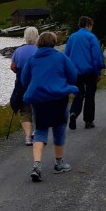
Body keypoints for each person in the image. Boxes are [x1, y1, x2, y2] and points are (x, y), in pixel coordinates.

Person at [20, 31, 79, 181]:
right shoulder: (60, 57)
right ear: (54, 43)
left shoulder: (32, 59)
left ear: (39, 43)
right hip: (58, 96)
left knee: (40, 130)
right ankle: (59, 163)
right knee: (59, 127)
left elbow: (24, 79)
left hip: (38, 99)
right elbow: (73, 75)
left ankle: (37, 164)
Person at [64, 16, 105, 130]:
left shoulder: (72, 37)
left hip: (75, 71)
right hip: (89, 71)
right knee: (90, 95)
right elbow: (96, 55)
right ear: (88, 25)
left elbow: (66, 55)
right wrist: (98, 71)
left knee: (79, 93)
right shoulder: (91, 37)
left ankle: (73, 113)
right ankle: (88, 120)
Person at [9, 27, 39, 146]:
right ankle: (37, 133)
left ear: (25, 37)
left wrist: (19, 72)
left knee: (24, 110)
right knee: (38, 108)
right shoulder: (39, 50)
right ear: (37, 36)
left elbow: (12, 67)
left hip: (22, 84)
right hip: (37, 83)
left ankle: (27, 137)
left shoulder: (19, 51)